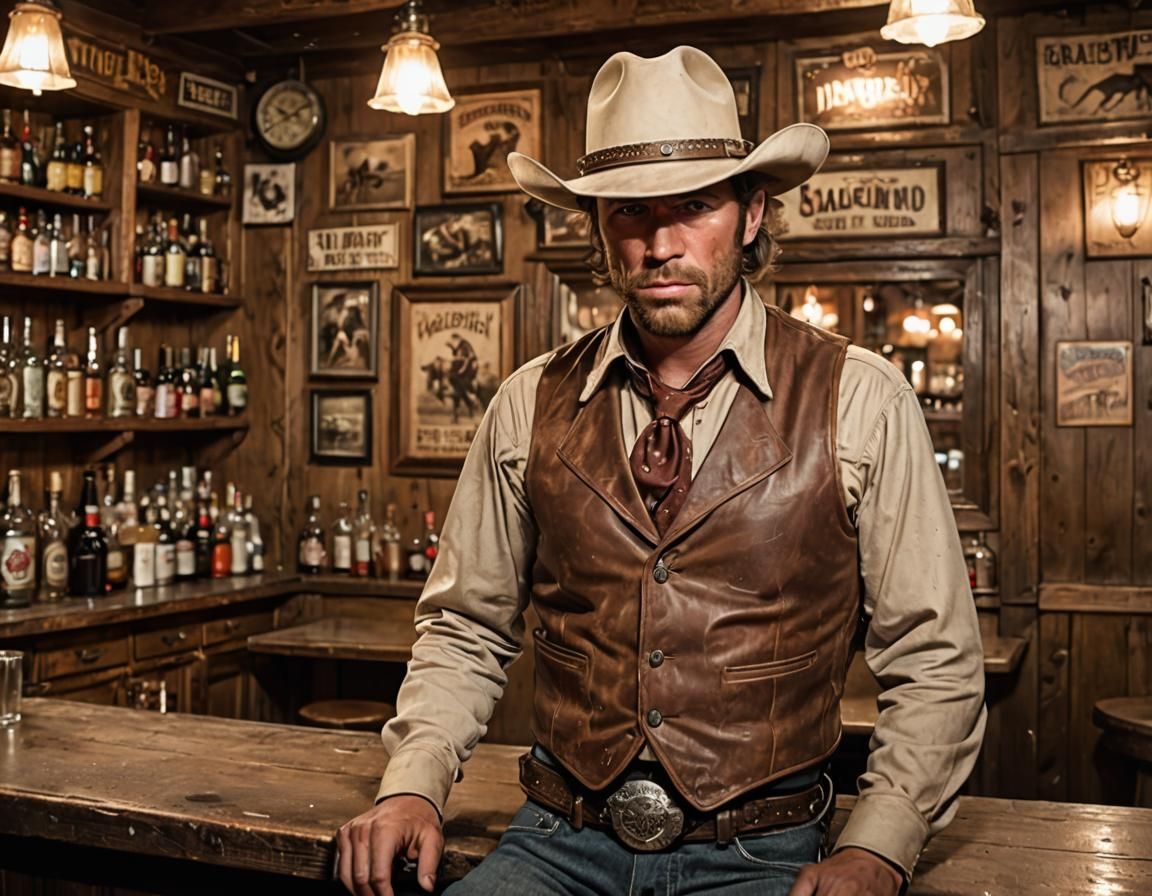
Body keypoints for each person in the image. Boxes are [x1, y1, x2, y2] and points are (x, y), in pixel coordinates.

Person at [337, 45, 986, 896]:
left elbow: (935, 657)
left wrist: (879, 845)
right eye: (630, 212)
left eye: (694, 205)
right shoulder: (528, 402)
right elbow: (466, 626)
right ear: (599, 227)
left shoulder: (857, 399)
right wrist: (413, 784)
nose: (661, 243)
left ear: (752, 213)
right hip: (556, 837)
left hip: (766, 850)